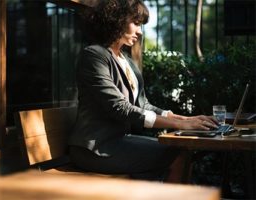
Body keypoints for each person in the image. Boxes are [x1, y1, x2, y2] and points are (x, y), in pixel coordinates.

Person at [68, 0, 218, 180]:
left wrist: (186, 119)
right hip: (95, 148)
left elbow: (142, 104)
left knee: (181, 149)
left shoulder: (126, 61)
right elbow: (120, 107)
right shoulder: (94, 56)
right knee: (177, 155)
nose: (140, 31)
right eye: (136, 23)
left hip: (119, 141)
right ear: (117, 19)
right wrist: (180, 125)